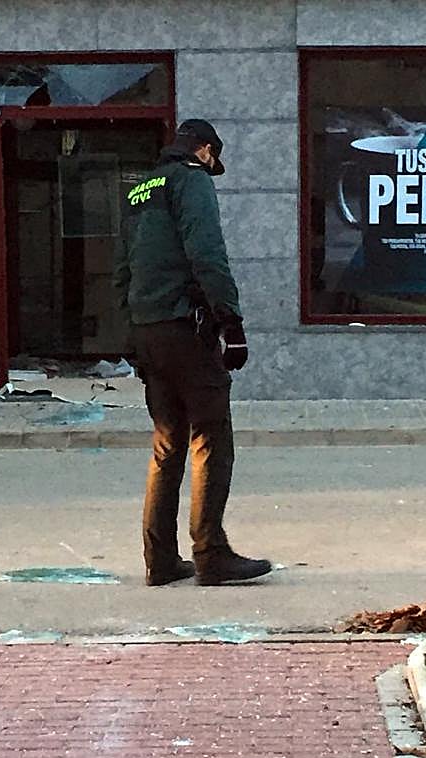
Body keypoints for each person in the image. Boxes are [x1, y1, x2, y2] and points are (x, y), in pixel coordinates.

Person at [114, 119, 272, 587]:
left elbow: (121, 269)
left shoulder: (139, 189)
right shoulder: (191, 179)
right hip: (185, 328)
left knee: (167, 443)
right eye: (212, 158)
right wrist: (232, 323)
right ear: (204, 150)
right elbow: (207, 254)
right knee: (211, 435)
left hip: (146, 329)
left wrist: (131, 335)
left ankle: (159, 560)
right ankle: (211, 554)